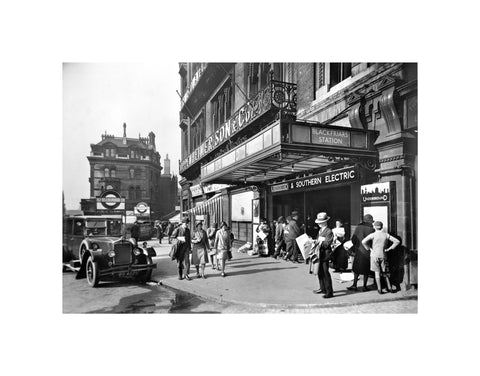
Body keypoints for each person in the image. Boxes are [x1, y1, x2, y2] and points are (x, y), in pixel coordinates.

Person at [362, 221, 400, 294]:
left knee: (377, 273)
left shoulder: (372, 235)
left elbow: (363, 241)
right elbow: (397, 241)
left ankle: (379, 289)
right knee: (385, 272)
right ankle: (389, 288)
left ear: (374, 227)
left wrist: (369, 248)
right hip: (383, 255)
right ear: (382, 227)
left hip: (374, 255)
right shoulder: (386, 235)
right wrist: (389, 249)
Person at [347, 214, 375, 292]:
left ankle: (354, 285)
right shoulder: (372, 229)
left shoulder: (358, 227)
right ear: (369, 221)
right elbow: (373, 241)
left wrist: (356, 245)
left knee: (356, 269)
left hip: (359, 251)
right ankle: (364, 286)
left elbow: (353, 240)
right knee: (366, 269)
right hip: (367, 251)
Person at [311, 212, 334, 298]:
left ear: (325, 222)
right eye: (318, 222)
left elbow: (327, 243)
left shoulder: (329, 231)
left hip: (325, 255)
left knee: (325, 273)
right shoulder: (320, 230)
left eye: (320, 222)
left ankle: (329, 291)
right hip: (319, 254)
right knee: (320, 272)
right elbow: (319, 240)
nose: (319, 224)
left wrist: (319, 243)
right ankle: (322, 288)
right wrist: (315, 242)